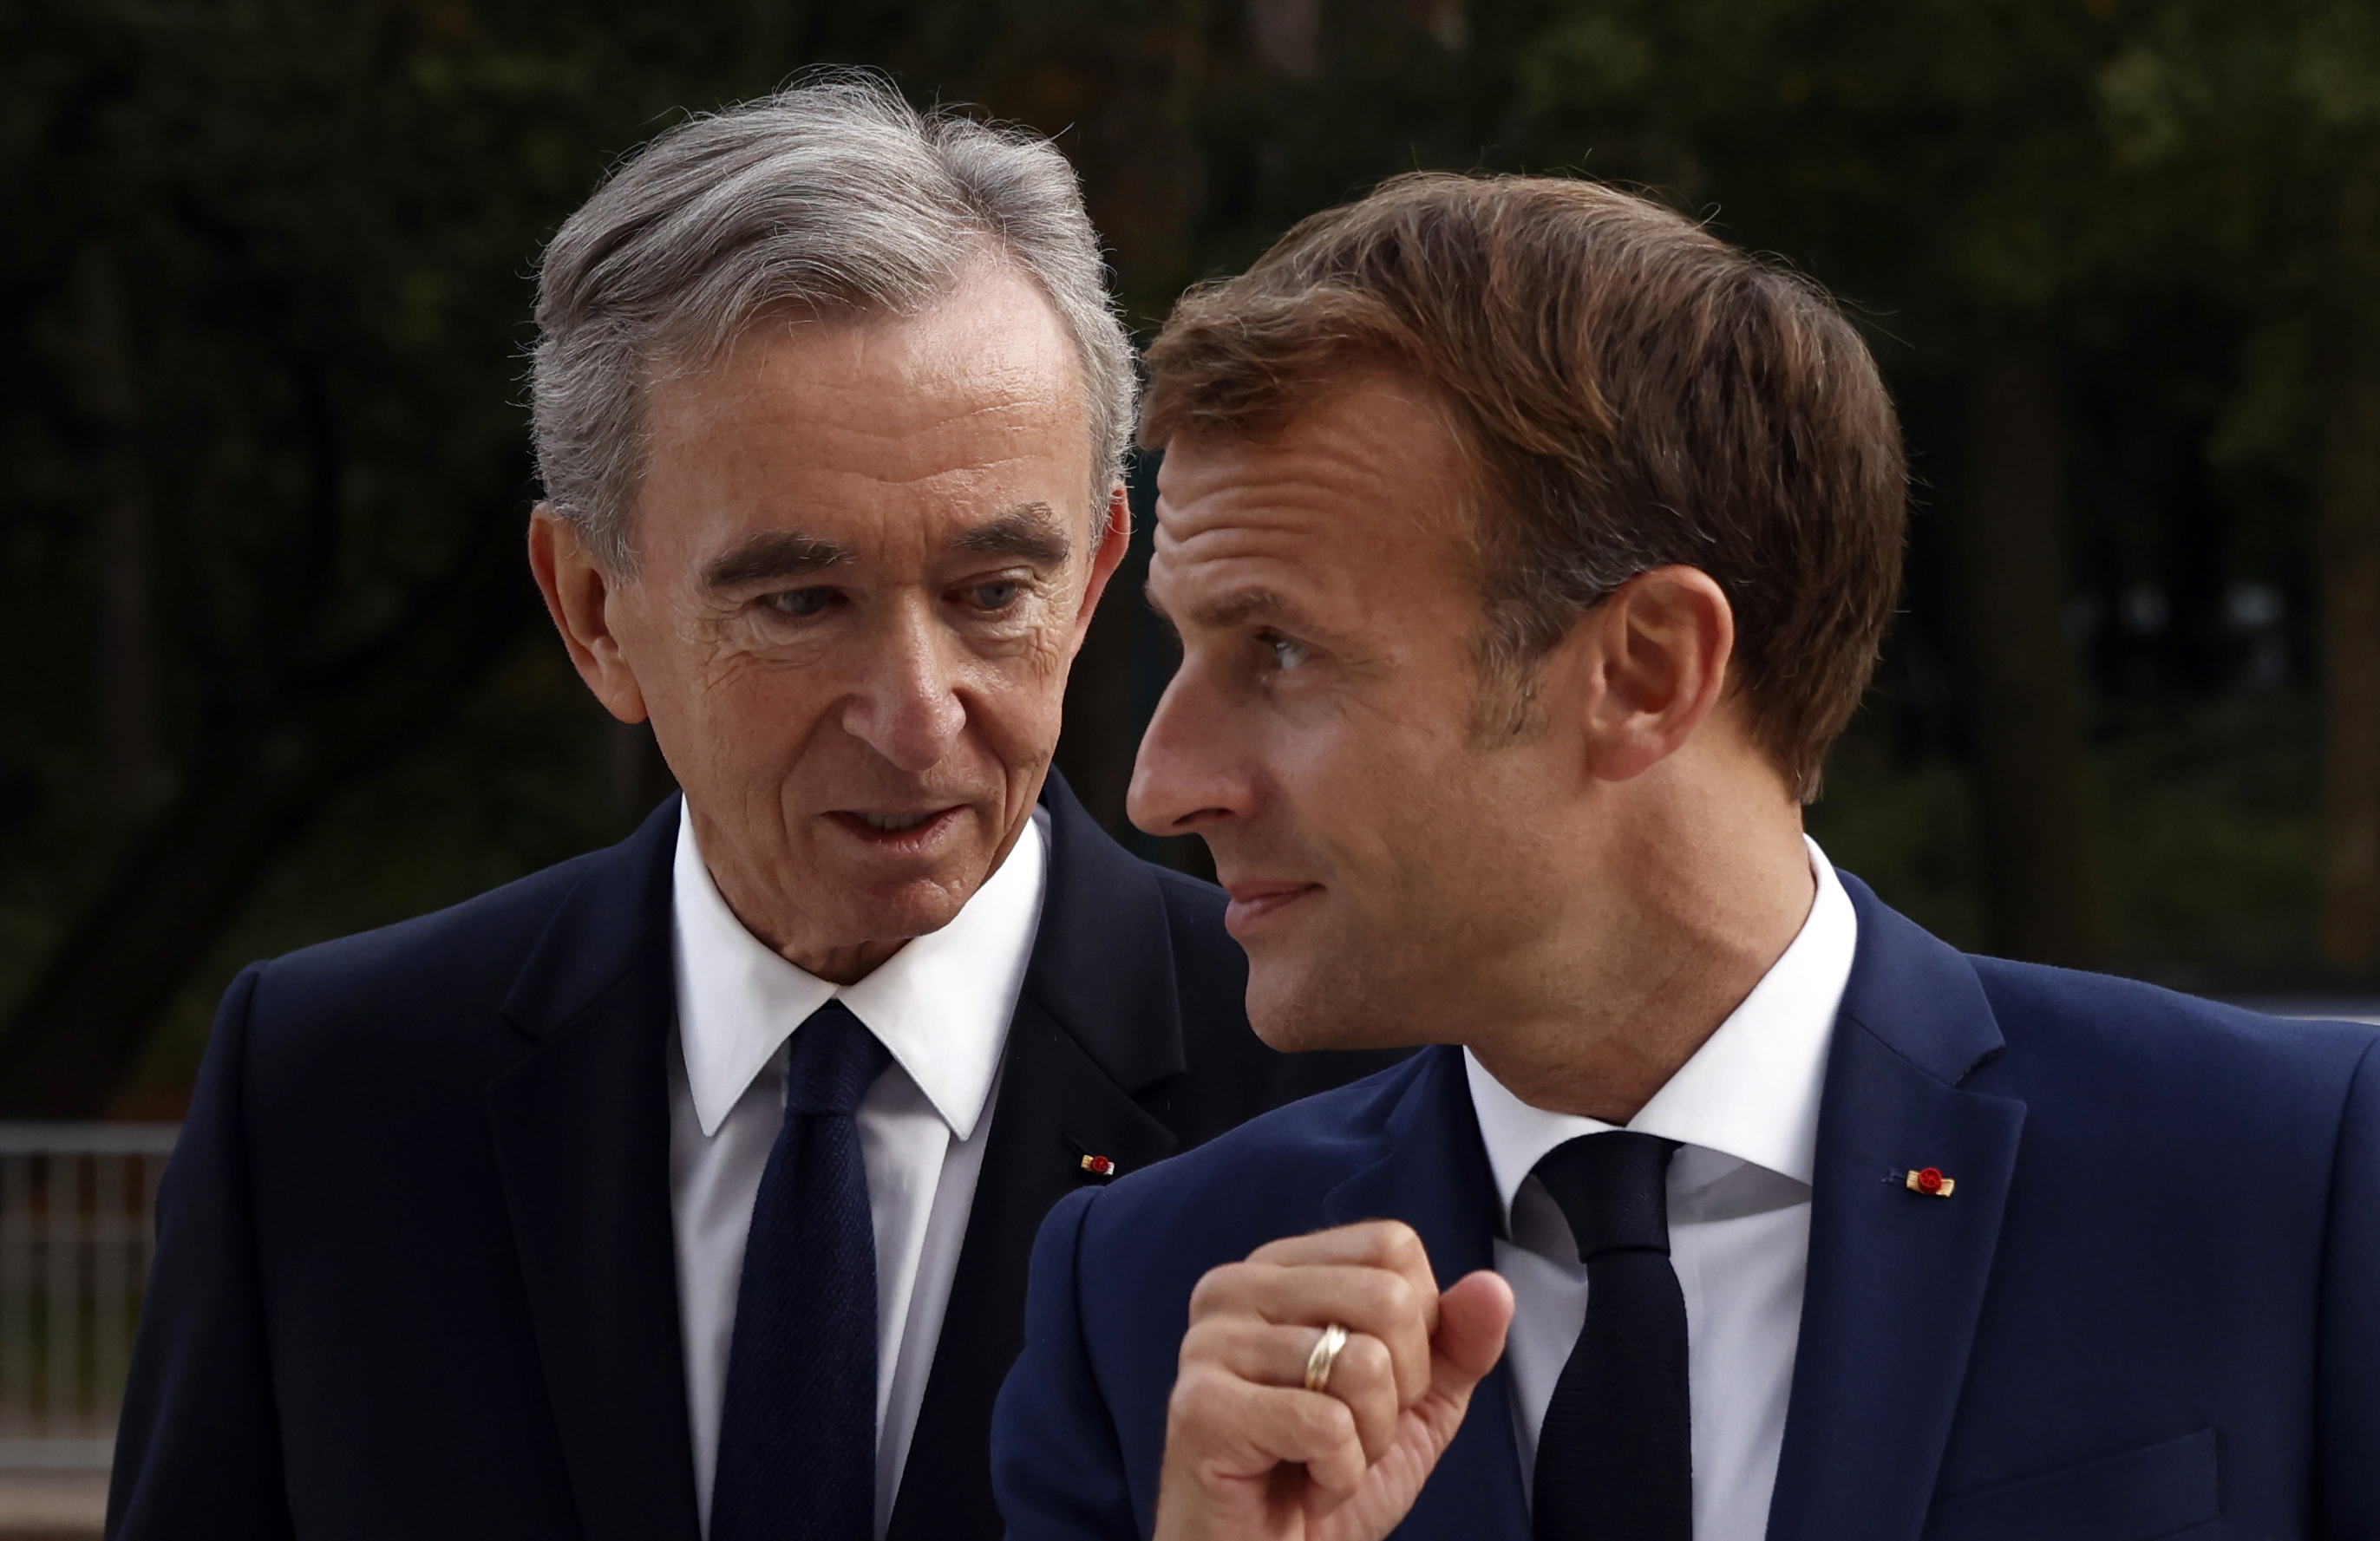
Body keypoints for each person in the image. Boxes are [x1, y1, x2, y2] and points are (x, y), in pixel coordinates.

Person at [991, 173, 2380, 1541]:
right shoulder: (1149, 1300)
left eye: (1282, 650)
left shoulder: (2293, 1180)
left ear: (1646, 671)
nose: (1163, 786)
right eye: (1186, 647)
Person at [106, 80, 1390, 1541]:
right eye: (800, 601)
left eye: (991, 593)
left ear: (1097, 574)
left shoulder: (1355, 1096)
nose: (917, 714)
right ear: (594, 611)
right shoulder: (331, 1092)